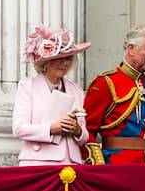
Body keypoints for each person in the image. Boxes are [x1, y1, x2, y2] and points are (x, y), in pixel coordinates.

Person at [12, 25, 90, 166]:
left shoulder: (76, 90)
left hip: (71, 163)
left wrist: (77, 130)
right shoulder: (28, 86)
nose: (64, 63)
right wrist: (51, 128)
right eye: (58, 58)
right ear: (45, 61)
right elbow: (19, 129)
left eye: (68, 58)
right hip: (38, 162)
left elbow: (84, 137)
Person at [83, 24, 145, 164]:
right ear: (131, 49)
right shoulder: (106, 83)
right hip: (117, 165)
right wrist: (96, 160)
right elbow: (86, 129)